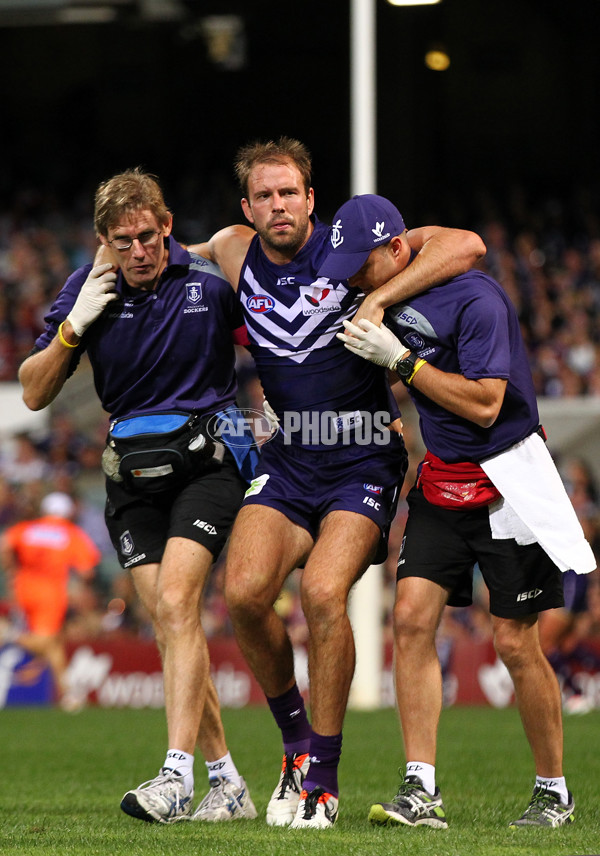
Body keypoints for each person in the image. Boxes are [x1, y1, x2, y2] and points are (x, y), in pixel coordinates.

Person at [190, 137, 486, 828]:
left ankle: (323, 779)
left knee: (323, 592)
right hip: (289, 459)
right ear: (247, 207)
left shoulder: (351, 251)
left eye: (289, 191)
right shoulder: (235, 249)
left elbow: (465, 245)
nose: (278, 205)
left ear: (311, 198)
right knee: (243, 593)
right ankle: (296, 746)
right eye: (263, 195)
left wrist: (381, 298)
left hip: (362, 460)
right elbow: (175, 254)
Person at [320, 192, 597, 828]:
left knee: (515, 642)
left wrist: (401, 361)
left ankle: (553, 789)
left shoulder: (478, 299)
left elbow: (484, 406)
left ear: (396, 250)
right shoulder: (390, 284)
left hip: (507, 481)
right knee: (412, 618)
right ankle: (421, 788)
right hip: (442, 480)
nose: (354, 282)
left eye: (362, 268)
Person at [17, 168, 258, 824]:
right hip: (131, 479)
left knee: (179, 605)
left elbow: (276, 337)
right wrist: (73, 329)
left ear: (168, 226)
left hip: (207, 465)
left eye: (148, 236)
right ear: (102, 241)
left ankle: (174, 777)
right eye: (123, 241)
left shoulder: (211, 278)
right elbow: (33, 391)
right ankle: (227, 783)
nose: (139, 252)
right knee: (171, 626)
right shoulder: (86, 290)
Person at [0, 490, 100, 710]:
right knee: (46, 641)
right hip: (51, 594)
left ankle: (68, 694)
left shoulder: (28, 528)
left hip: (23, 589)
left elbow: (5, 543)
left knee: (54, 645)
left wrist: (11, 568)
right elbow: (87, 571)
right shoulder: (70, 532)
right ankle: (8, 634)